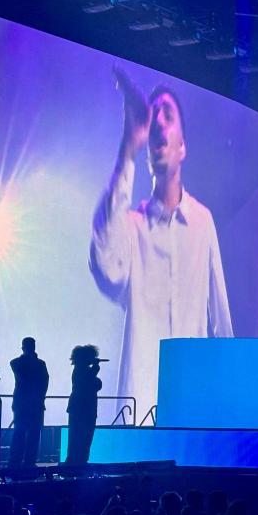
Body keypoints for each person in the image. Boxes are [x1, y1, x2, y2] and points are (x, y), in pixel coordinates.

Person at [89, 67, 233, 411]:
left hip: (194, 404)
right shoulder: (131, 226)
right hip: (139, 407)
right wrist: (127, 148)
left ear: (182, 146)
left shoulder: (203, 222)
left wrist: (228, 395)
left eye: (168, 115)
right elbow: (106, 269)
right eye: (153, 118)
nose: (159, 123)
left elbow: (221, 321)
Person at [9, 337, 49, 468]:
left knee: (27, 432)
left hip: (26, 403)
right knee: (25, 432)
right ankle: (23, 462)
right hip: (31, 403)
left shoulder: (17, 362)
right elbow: (42, 381)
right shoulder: (38, 364)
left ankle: (20, 462)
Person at [66, 345, 103, 465]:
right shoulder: (82, 370)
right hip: (84, 408)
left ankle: (76, 460)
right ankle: (78, 461)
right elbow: (91, 382)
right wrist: (96, 367)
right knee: (83, 436)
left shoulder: (79, 369)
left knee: (78, 435)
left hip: (80, 408)